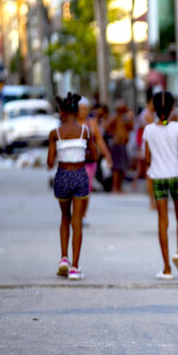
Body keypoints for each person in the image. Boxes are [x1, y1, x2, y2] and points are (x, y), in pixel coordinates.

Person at [143, 91, 178, 280]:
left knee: (162, 222)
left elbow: (147, 159)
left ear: (154, 109)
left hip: (158, 178)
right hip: (176, 176)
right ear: (172, 109)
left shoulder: (149, 130)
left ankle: (166, 269)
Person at [47, 92, 97, 281]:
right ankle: (75, 267)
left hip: (62, 176)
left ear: (61, 112)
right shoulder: (85, 131)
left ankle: (63, 259)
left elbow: (50, 161)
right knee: (77, 221)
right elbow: (94, 155)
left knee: (64, 218)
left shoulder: (55, 134)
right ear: (77, 111)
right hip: (79, 176)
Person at [77, 96, 113, 225]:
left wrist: (107, 155)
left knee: (86, 189)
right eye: (81, 108)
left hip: (89, 161)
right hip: (74, 162)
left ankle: (82, 215)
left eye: (85, 108)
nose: (83, 111)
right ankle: (75, 213)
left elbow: (99, 140)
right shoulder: (70, 123)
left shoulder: (91, 123)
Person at [106, 100, 134, 193]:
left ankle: (119, 187)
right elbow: (107, 126)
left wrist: (130, 118)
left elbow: (131, 127)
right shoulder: (115, 116)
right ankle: (115, 187)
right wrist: (114, 135)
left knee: (122, 167)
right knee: (116, 167)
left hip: (123, 144)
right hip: (117, 144)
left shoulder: (125, 117)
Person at [135, 89, 157, 209]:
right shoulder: (147, 114)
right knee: (151, 174)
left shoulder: (149, 113)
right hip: (149, 145)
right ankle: (152, 201)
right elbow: (155, 127)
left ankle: (153, 201)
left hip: (150, 144)